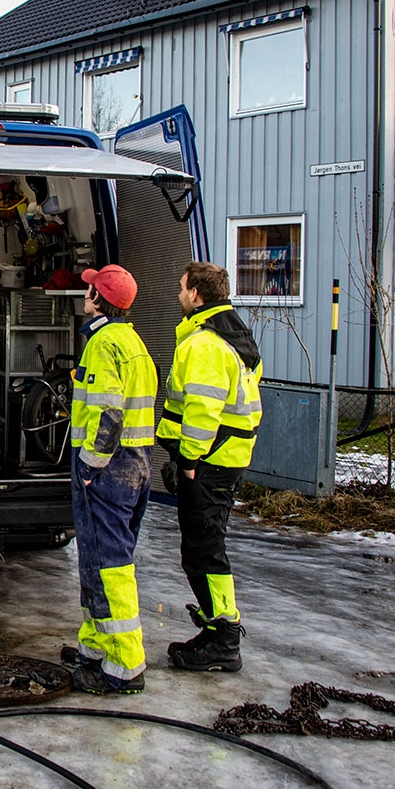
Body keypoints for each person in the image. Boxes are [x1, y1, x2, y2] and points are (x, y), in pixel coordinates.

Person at [155, 261, 263, 672]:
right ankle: (219, 629)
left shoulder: (204, 344)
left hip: (209, 463)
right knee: (204, 547)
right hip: (226, 459)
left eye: (182, 288)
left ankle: (224, 637)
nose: (179, 294)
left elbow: (202, 411)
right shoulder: (234, 334)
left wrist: (188, 462)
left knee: (205, 551)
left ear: (196, 294)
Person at [64, 264, 157, 694]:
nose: (85, 293)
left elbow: (108, 415)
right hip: (136, 464)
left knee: (110, 564)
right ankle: (96, 644)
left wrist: (89, 466)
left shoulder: (103, 345)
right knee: (97, 560)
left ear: (100, 300)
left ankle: (125, 664)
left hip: (109, 468)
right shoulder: (134, 342)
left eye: (90, 289)